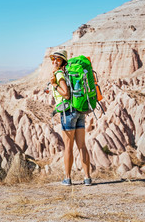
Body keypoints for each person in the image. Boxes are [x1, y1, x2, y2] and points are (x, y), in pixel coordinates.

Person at [49, 50, 92, 186]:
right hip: (79, 111)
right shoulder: (66, 72)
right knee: (82, 146)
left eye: (58, 59)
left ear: (63, 61)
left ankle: (67, 179)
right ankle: (87, 178)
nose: (54, 62)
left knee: (68, 147)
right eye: (53, 59)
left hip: (68, 112)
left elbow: (66, 94)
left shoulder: (60, 74)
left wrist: (55, 84)